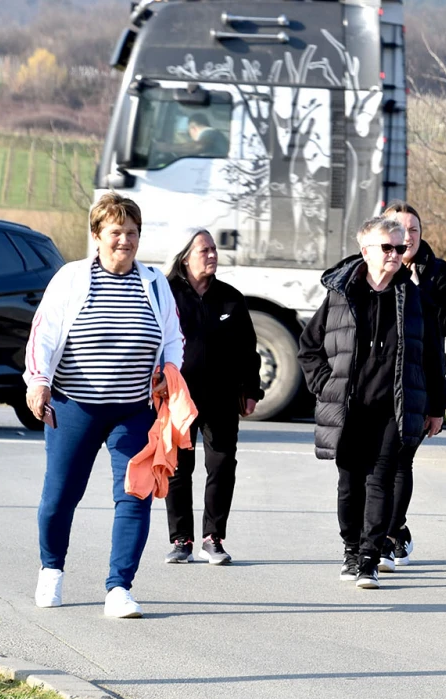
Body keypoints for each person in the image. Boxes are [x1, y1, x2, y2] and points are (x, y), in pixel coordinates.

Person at [24, 192, 185, 618]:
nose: (125, 241)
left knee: (135, 495)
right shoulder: (72, 278)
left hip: (134, 409)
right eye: (116, 232)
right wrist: (38, 382)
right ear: (97, 235)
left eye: (132, 233)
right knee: (60, 496)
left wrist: (168, 370)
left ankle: (119, 588)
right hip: (74, 405)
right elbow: (43, 334)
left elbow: (173, 338)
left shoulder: (154, 282)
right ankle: (51, 570)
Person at [297, 216, 446, 588]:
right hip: (350, 408)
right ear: (366, 251)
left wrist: (435, 407)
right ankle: (351, 548)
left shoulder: (413, 297)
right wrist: (324, 385)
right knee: (350, 483)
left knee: (380, 480)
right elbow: (309, 347)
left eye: (401, 248)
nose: (396, 254)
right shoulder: (341, 294)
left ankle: (369, 558)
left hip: (392, 409)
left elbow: (431, 356)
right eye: (388, 247)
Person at [162, 229, 265, 565]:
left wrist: (251, 391)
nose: (211, 255)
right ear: (186, 256)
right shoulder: (168, 294)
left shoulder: (230, 298)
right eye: (204, 250)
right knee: (179, 468)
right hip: (178, 398)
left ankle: (213, 538)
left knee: (221, 466)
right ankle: (181, 540)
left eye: (213, 249)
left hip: (222, 398)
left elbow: (248, 350)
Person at [374, 202, 446, 569]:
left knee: (401, 461)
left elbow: (444, 328)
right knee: (376, 467)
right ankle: (388, 529)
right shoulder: (369, 271)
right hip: (376, 387)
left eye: (414, 231)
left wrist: (420, 292)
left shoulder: (435, 274)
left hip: (417, 385)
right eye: (399, 230)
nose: (407, 237)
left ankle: (388, 539)